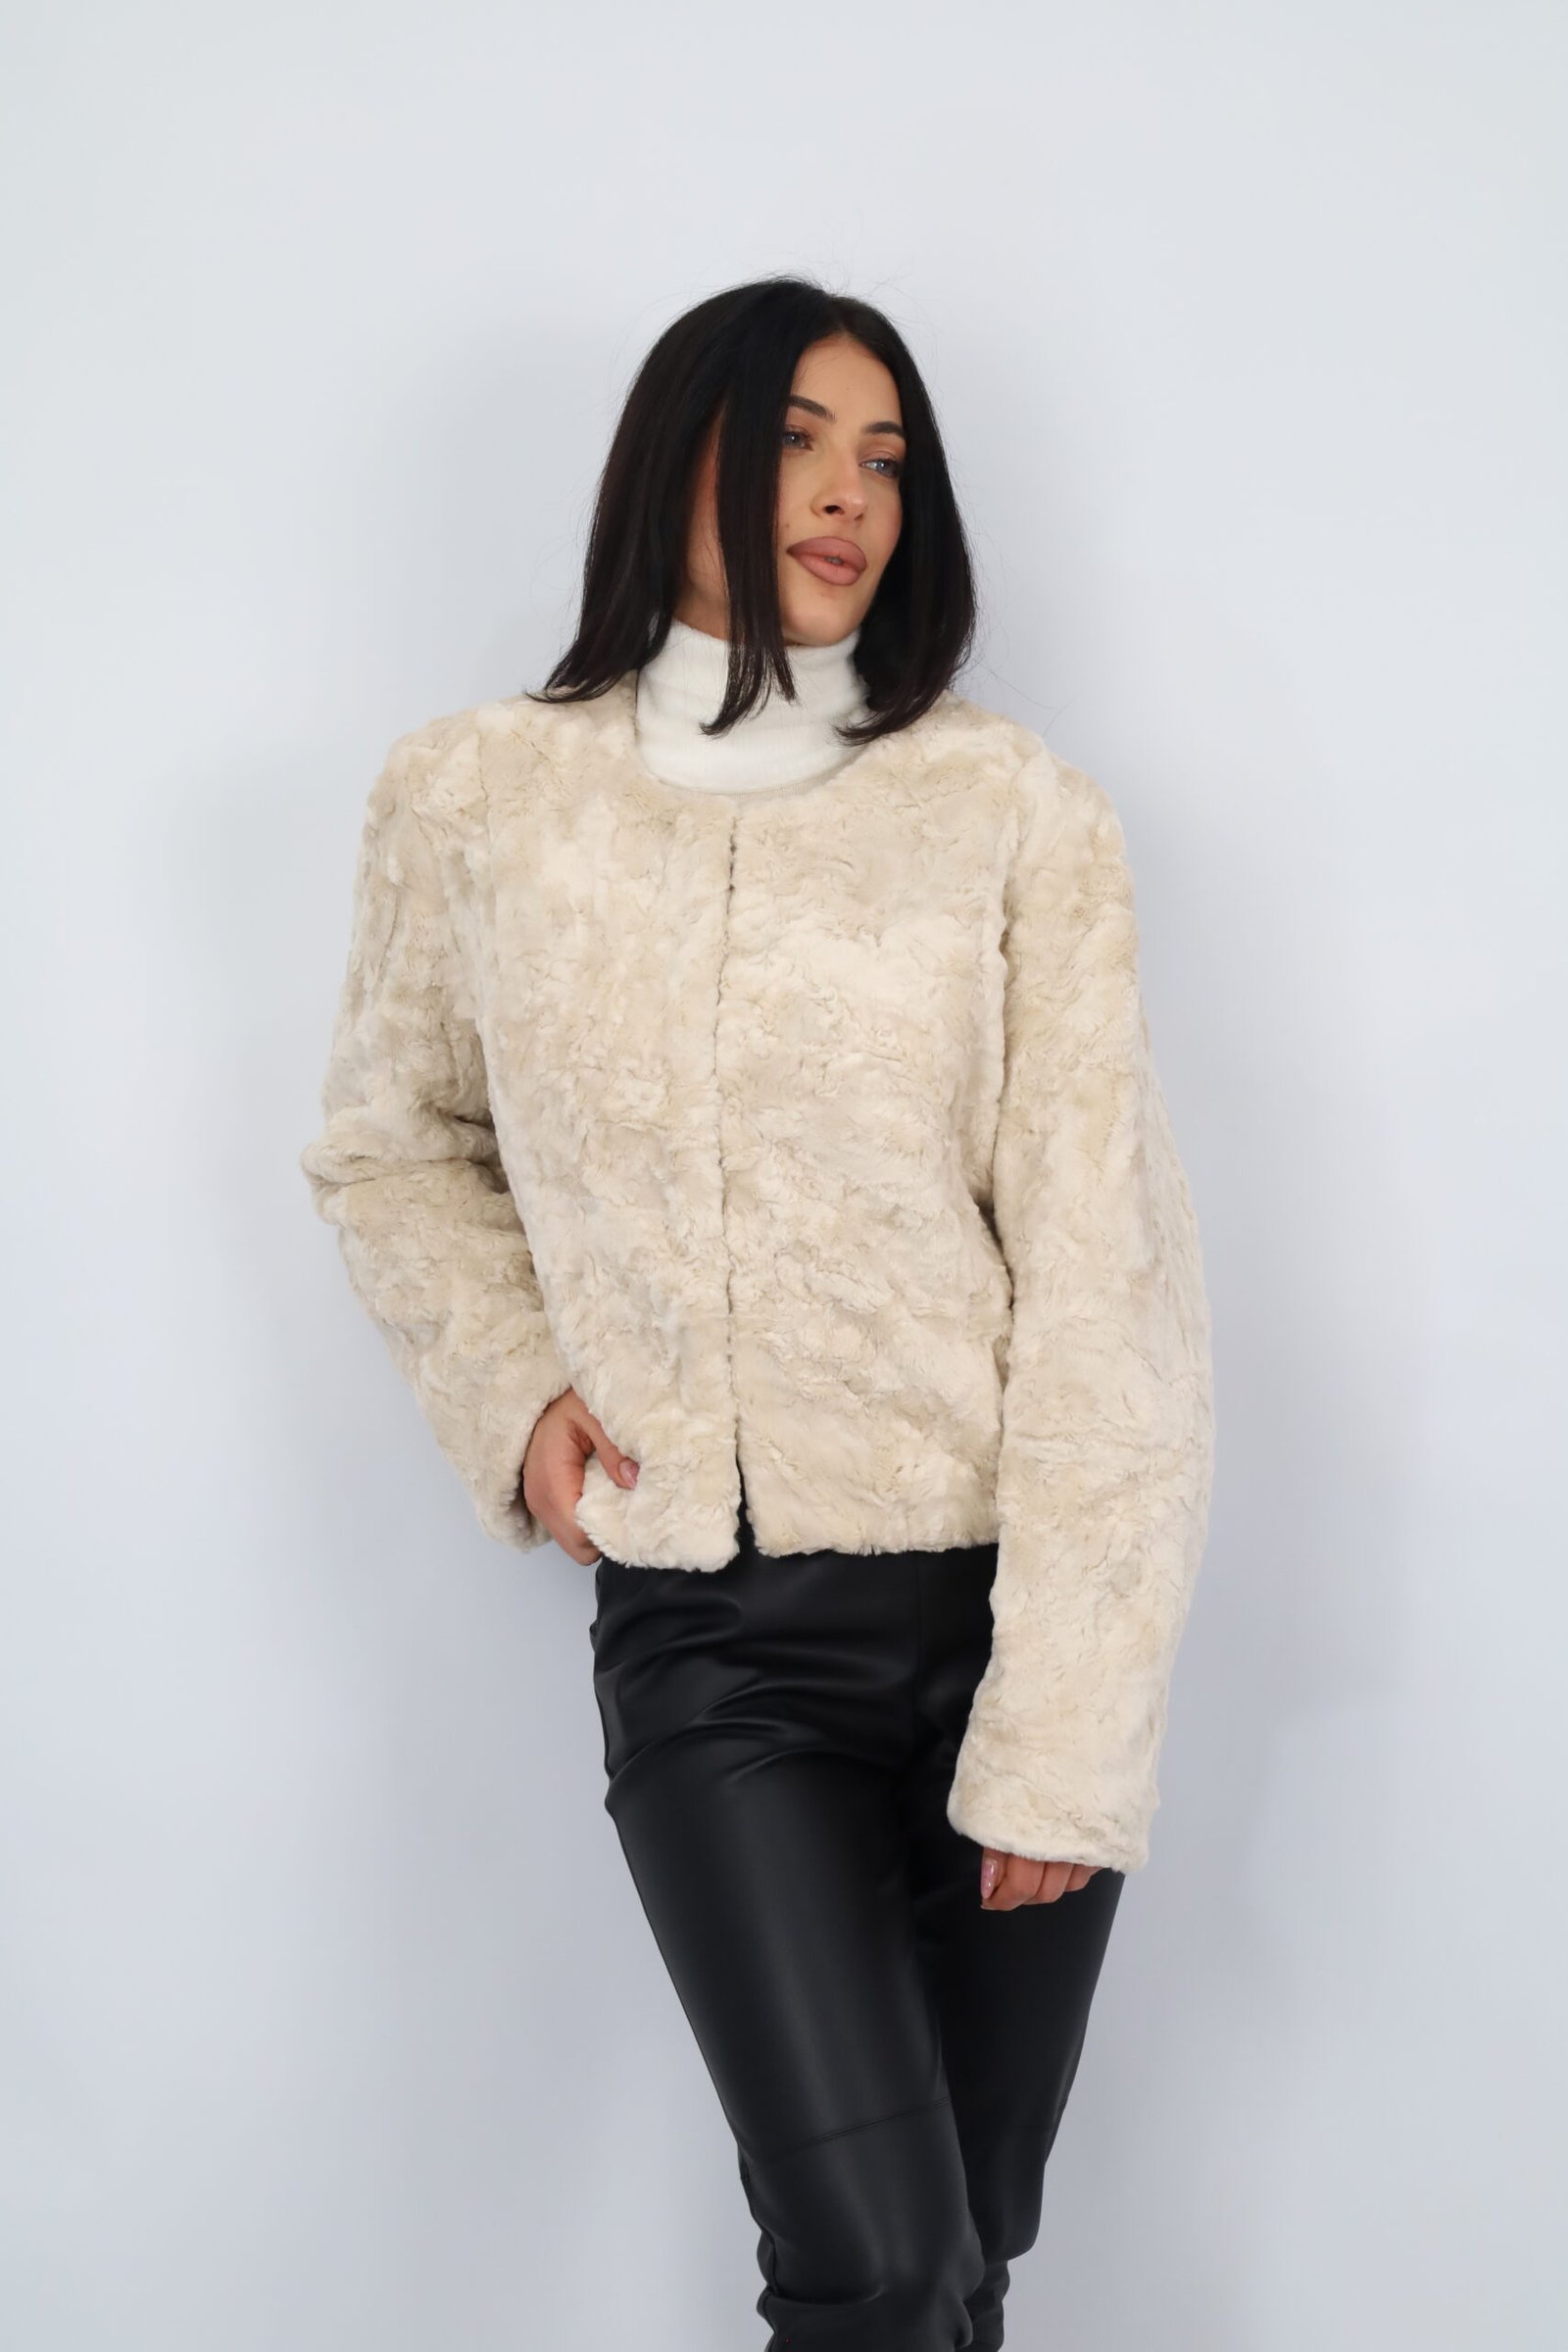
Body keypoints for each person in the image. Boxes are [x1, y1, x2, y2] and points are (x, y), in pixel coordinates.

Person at [300, 274, 1215, 2350]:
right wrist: (511, 1394)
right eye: (797, 438)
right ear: (678, 458)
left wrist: (1064, 1733)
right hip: (717, 1648)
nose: (847, 494)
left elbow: (1110, 1280)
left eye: (885, 456)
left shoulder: (1012, 815)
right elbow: (391, 1143)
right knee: (876, 2264)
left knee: (960, 2251)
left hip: (1005, 1625)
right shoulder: (478, 801)